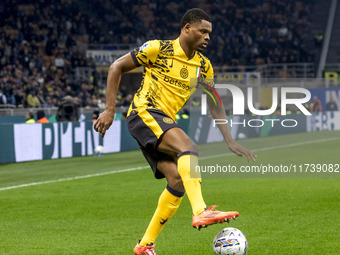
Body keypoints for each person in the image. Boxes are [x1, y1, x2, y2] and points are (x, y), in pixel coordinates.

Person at [94, 8, 256, 255]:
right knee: (188, 147)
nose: (208, 37)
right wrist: (109, 110)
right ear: (187, 28)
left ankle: (145, 245)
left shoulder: (203, 66)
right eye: (203, 31)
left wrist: (230, 140)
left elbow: (215, 104)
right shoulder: (158, 49)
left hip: (160, 122)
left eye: (210, 33)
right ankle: (201, 210)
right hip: (144, 112)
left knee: (177, 181)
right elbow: (116, 67)